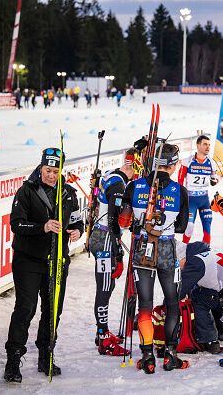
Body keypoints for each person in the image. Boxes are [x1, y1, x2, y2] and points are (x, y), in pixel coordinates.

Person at [4, 147, 84, 383]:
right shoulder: (26, 191)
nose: (51, 175)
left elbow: (79, 219)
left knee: (52, 310)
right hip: (28, 260)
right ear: (40, 168)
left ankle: (46, 355)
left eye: (56, 171)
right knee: (25, 309)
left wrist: (77, 231)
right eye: (48, 170)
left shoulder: (68, 193)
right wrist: (43, 227)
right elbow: (16, 224)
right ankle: (13, 359)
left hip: (57, 260)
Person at [119, 143, 190, 374]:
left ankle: (148, 357)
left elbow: (122, 221)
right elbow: (180, 227)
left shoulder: (134, 185)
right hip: (167, 248)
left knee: (145, 306)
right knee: (172, 303)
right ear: (173, 165)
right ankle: (170, 355)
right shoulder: (179, 190)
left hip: (142, 248)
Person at [88, 148, 141, 356]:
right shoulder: (118, 184)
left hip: (104, 237)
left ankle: (102, 332)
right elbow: (112, 219)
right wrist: (118, 251)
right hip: (105, 239)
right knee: (104, 287)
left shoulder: (115, 175)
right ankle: (103, 339)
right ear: (133, 166)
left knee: (107, 287)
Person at [178, 135, 218, 244]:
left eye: (209, 145)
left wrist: (214, 180)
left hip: (204, 199)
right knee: (189, 226)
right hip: (191, 200)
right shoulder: (188, 161)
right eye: (205, 144)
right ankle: (183, 248)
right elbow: (180, 182)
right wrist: (180, 198)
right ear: (198, 145)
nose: (208, 147)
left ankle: (206, 249)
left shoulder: (212, 162)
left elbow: (214, 180)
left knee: (207, 225)